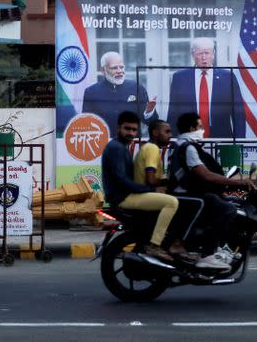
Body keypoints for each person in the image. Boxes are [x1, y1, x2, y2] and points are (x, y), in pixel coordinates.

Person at [168, 111, 246, 270]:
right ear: (191, 128)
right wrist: (237, 183)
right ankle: (208, 254)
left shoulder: (180, 145)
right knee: (227, 209)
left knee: (232, 202)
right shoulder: (188, 147)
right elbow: (205, 175)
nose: (203, 131)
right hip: (185, 195)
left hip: (185, 192)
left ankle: (219, 247)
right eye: (200, 127)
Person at [100, 111, 179, 263]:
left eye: (134, 130)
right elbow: (121, 178)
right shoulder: (116, 148)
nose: (130, 133)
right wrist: (147, 190)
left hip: (124, 195)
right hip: (123, 197)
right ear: (118, 129)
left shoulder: (122, 146)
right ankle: (155, 245)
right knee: (171, 202)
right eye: (127, 129)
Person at [133, 119, 194, 260]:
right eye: (166, 131)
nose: (170, 135)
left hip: (146, 193)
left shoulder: (149, 148)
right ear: (155, 132)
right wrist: (170, 181)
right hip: (146, 194)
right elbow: (151, 180)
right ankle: (160, 244)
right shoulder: (152, 149)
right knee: (177, 205)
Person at [166, 38, 245, 138]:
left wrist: (239, 142)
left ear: (213, 54)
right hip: (188, 138)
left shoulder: (228, 77)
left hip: (221, 139)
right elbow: (173, 113)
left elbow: (238, 114)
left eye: (207, 53)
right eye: (199, 54)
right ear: (193, 55)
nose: (204, 57)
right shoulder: (179, 77)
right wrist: (171, 141)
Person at [81, 52, 157, 134]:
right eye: (114, 68)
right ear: (103, 70)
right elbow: (86, 125)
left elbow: (153, 123)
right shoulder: (91, 92)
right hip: (104, 143)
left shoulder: (137, 88)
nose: (119, 71)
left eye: (121, 67)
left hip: (131, 143)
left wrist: (149, 112)